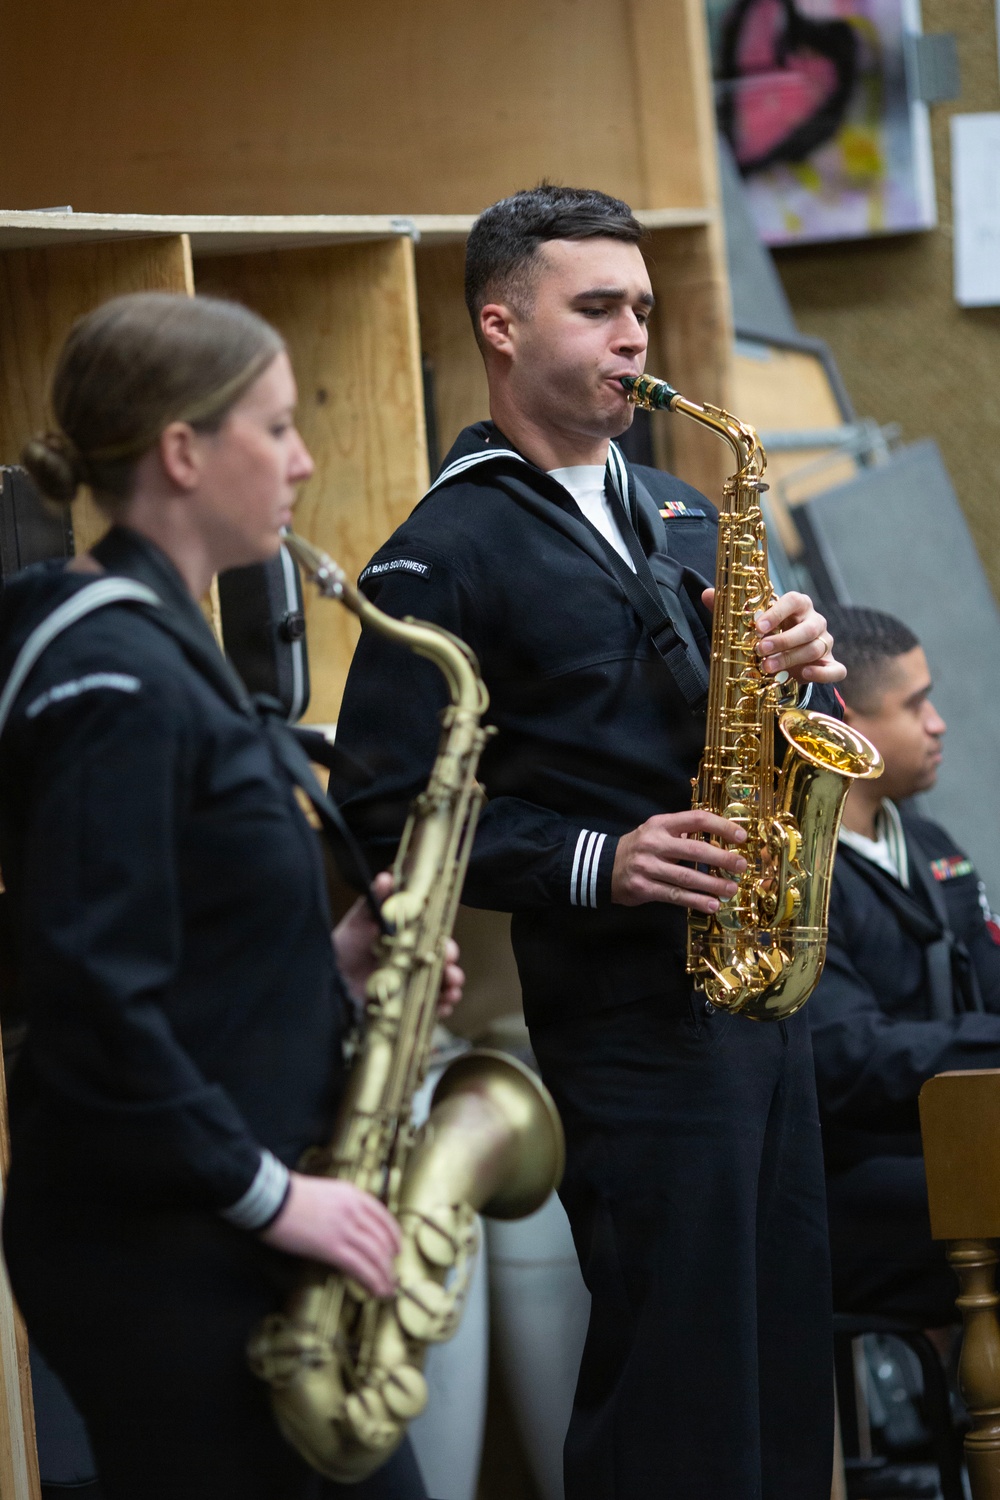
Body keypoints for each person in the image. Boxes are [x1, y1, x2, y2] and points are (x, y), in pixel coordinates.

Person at [332, 184, 846, 1500]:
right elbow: (387, 811)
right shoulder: (441, 551)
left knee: (781, 1365)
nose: (636, 340)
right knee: (676, 1390)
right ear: (501, 327)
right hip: (627, 1012)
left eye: (645, 312)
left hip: (760, 997)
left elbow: (813, 728)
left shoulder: (685, 508)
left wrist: (801, 675)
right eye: (600, 309)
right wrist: (598, 860)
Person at [0, 291, 461, 1500]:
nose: (305, 458)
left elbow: (181, 942)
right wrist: (272, 1200)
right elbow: (91, 992)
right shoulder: (109, 675)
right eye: (277, 426)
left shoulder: (167, 648)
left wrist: (339, 964)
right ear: (184, 451)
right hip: (170, 1249)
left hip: (223, 1223)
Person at [808, 605, 1000, 1328]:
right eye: (916, 704)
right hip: (856, 1178)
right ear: (845, 716)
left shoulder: (929, 841)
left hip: (961, 1143)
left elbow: (989, 976)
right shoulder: (796, 869)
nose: (939, 723)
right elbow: (850, 1060)